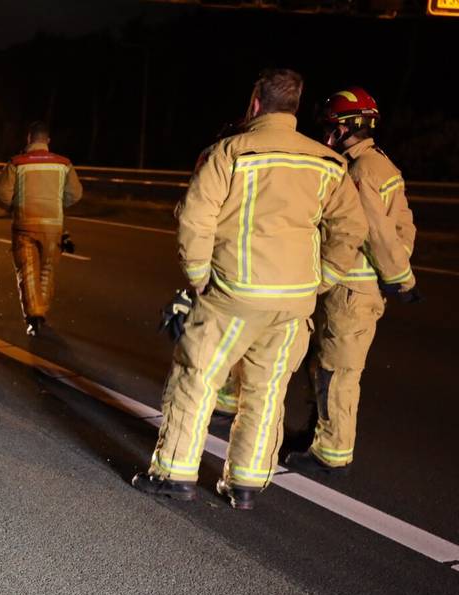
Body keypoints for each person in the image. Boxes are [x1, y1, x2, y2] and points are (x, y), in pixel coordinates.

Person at [130, 68, 366, 510]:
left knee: (197, 378)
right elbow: (351, 229)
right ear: (295, 107)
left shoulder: (231, 153)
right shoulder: (329, 163)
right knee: (266, 389)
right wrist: (325, 277)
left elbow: (195, 218)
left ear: (255, 103)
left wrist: (198, 275)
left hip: (232, 294)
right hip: (294, 301)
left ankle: (175, 473)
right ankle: (246, 485)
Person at [283, 87, 419, 477]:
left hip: (351, 290)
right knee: (323, 364)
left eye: (332, 128)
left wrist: (399, 280)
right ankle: (317, 434)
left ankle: (331, 452)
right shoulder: (377, 164)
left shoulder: (360, 171)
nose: (326, 137)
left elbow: (374, 231)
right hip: (351, 288)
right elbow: (404, 225)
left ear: (349, 127)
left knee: (338, 371)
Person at [0, 121, 83, 336]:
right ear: (47, 140)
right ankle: (42, 313)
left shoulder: (17, 162)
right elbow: (75, 194)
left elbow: (1, 192)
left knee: (28, 271)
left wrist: (13, 206)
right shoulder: (64, 164)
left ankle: (34, 316)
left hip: (25, 225)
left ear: (28, 138)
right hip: (53, 227)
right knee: (47, 272)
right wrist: (56, 203)